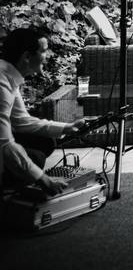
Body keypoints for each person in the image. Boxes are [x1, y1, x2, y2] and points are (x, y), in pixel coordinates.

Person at [1, 28, 86, 194]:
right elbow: (4, 144)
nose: (47, 57)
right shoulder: (1, 85)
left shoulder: (9, 75)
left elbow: (21, 120)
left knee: (45, 141)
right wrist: (43, 179)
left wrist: (65, 128)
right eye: (43, 51)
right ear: (26, 57)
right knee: (36, 158)